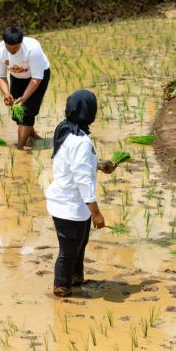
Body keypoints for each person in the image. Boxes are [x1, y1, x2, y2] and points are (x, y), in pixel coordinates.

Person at [45, 90, 117, 297]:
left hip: (71, 203)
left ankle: (75, 278)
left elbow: (75, 166)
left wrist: (99, 165)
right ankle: (61, 287)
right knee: (68, 250)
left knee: (80, 243)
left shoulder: (65, 129)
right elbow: (82, 180)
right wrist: (96, 212)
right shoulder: (80, 141)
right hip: (70, 205)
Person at [0, 27, 51, 149]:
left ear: (21, 42)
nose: (12, 51)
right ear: (5, 43)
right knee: (16, 112)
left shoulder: (32, 50)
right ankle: (32, 134)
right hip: (17, 76)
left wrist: (24, 98)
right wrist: (6, 93)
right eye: (9, 48)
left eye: (16, 48)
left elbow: (36, 78)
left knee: (27, 112)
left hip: (38, 76)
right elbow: (0, 76)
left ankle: (20, 146)